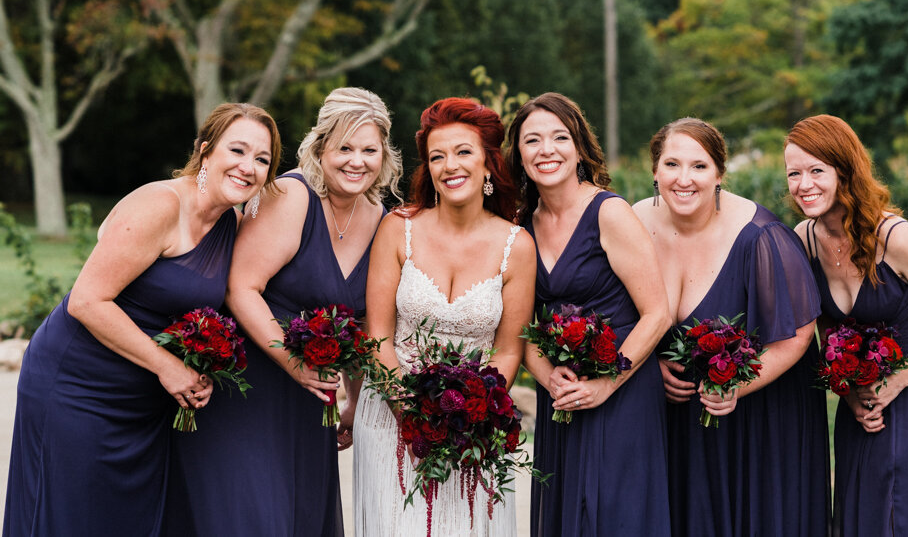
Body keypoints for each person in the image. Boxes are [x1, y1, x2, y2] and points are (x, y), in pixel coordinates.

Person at [3, 103, 280, 536]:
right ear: (205, 151)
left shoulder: (233, 222)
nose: (248, 167)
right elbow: (87, 301)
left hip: (143, 403)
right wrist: (169, 366)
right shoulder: (160, 205)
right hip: (77, 387)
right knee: (70, 519)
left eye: (262, 159)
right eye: (237, 150)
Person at [164, 88, 402, 536]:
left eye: (369, 150)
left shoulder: (380, 216)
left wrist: (352, 399)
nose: (357, 161)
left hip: (312, 404)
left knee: (300, 518)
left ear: (384, 155)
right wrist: (294, 363)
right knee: (253, 518)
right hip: (253, 391)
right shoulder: (293, 196)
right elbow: (241, 288)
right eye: (344, 148)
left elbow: (362, 324)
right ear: (320, 148)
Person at [633, 117, 830, 537]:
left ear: (720, 174)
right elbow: (623, 315)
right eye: (671, 164)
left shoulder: (762, 236)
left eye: (699, 166)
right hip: (674, 423)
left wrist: (735, 386)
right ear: (654, 171)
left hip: (757, 424)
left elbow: (797, 335)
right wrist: (648, 364)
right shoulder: (635, 226)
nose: (684, 179)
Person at [784, 114, 908, 536]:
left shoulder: (895, 236)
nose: (804, 184)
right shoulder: (804, 239)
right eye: (794, 173)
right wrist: (849, 393)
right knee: (865, 510)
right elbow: (824, 330)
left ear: (844, 171)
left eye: (817, 170)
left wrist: (894, 383)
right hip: (860, 403)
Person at [353, 97, 535, 536]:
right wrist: (411, 411)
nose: (449, 165)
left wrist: (472, 415)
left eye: (463, 152)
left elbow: (509, 349)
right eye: (437, 156)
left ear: (489, 165)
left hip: (472, 427)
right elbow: (376, 334)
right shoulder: (399, 228)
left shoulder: (517, 246)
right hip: (389, 416)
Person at [507, 92, 673, 536]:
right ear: (518, 153)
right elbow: (521, 328)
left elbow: (657, 312)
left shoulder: (609, 212)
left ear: (579, 147)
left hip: (623, 389)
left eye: (559, 137)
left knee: (616, 515)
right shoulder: (521, 224)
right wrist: (548, 379)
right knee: (568, 514)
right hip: (562, 395)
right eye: (533, 140)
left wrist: (606, 382)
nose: (547, 150)